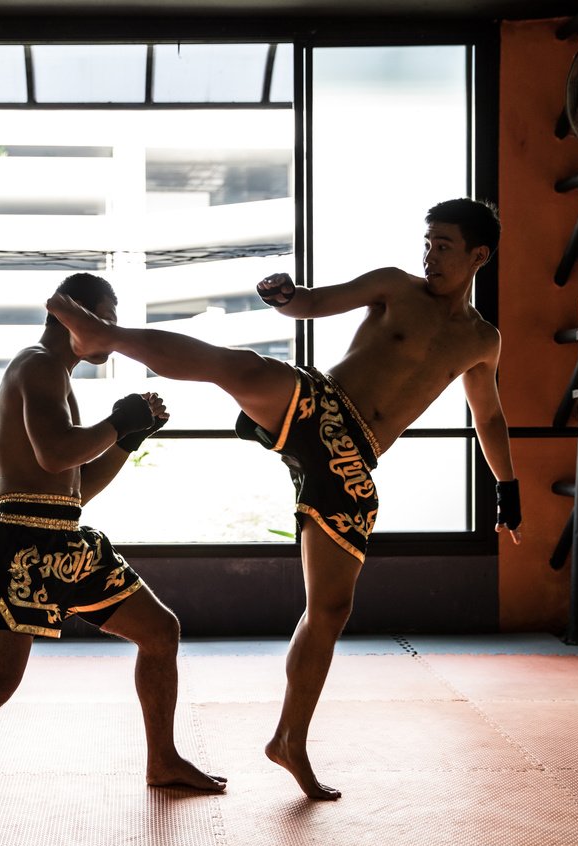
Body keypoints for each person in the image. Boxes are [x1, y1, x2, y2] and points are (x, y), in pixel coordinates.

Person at [46, 198, 522, 801]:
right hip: (322, 406)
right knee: (237, 366)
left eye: (444, 245)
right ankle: (105, 335)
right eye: (427, 242)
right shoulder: (394, 287)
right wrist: (284, 296)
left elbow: (491, 417)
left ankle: (290, 740)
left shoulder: (483, 340)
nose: (430, 254)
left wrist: (507, 487)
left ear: (479, 255)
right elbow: (316, 302)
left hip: (354, 463)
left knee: (330, 609)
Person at [0, 272, 226, 830]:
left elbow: (76, 487)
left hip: (66, 536)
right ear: (71, 318)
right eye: (104, 319)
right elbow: (52, 454)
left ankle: (163, 759)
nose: (112, 332)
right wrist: (118, 420)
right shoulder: (37, 365)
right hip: (22, 540)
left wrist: (127, 438)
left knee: (160, 631)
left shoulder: (56, 374)